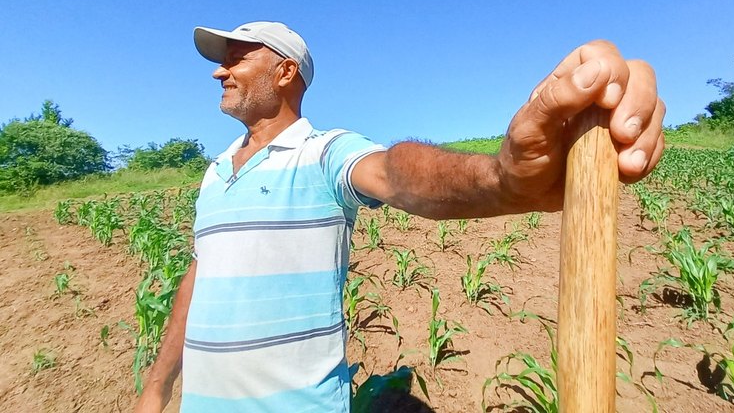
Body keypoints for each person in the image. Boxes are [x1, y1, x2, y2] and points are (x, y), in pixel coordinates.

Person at [134, 21, 665, 412]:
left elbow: (394, 172)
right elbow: (201, 275)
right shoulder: (214, 173)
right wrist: (158, 387)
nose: (219, 69)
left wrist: (500, 180)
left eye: (236, 58)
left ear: (285, 69)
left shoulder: (324, 153)